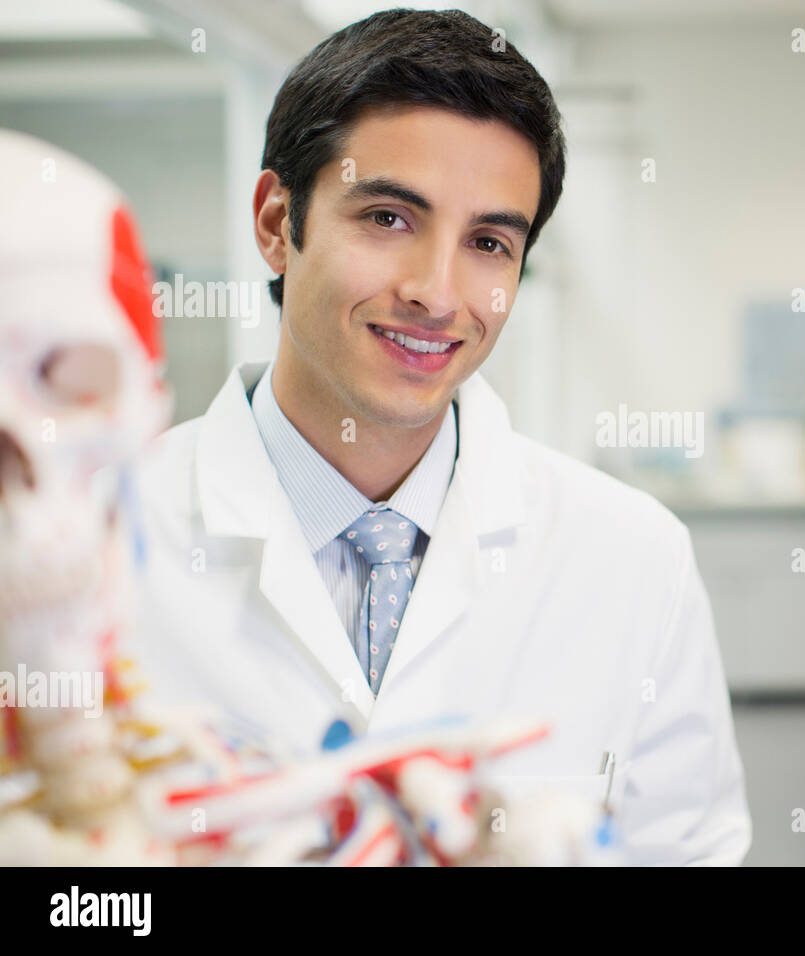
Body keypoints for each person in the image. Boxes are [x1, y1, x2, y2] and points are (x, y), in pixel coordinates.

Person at [130, 8, 751, 865]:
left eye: (490, 242)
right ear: (278, 222)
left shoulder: (638, 559)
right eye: (388, 218)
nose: (437, 292)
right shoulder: (90, 548)